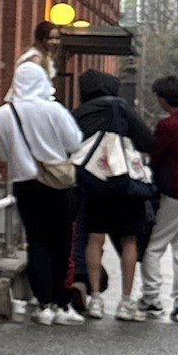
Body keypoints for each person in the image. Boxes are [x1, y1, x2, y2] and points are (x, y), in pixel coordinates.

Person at [0, 59, 84, 324]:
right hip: (57, 184)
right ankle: (61, 303)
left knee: (37, 242)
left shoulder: (4, 115)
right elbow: (74, 142)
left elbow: (2, 153)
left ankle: (43, 305)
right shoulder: (53, 110)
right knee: (62, 243)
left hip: (25, 185)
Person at [73, 69, 156, 320]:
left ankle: (95, 299)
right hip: (124, 187)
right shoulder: (122, 108)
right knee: (128, 241)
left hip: (94, 186)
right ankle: (126, 302)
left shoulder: (81, 113)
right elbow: (146, 140)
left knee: (94, 239)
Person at [139, 73, 178, 320]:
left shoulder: (167, 126)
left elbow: (156, 156)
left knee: (155, 247)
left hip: (173, 191)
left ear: (165, 99)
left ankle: (152, 298)